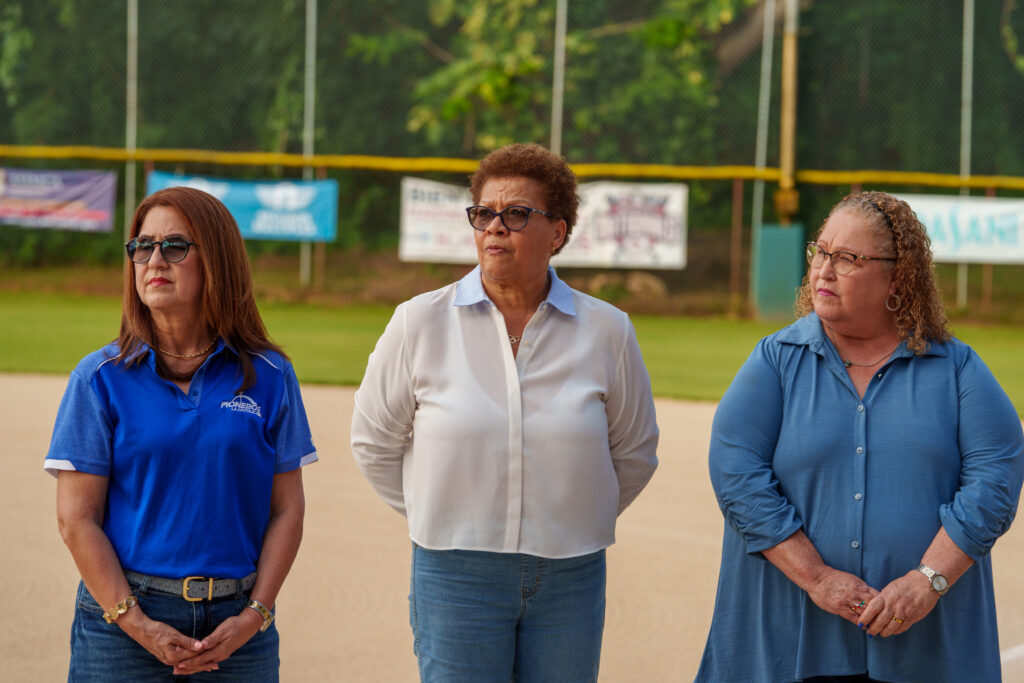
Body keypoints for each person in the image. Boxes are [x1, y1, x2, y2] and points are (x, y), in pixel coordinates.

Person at [351, 143, 659, 681]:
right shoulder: (417, 322)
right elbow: (373, 442)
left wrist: (569, 515)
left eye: (516, 214)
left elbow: (634, 451)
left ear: (557, 233)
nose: (495, 227)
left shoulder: (608, 330)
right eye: (483, 213)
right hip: (455, 573)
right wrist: (443, 510)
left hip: (570, 574)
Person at [695, 191, 1024, 683]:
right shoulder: (775, 359)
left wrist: (927, 582)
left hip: (923, 645)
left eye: (848, 258)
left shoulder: (956, 369)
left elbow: (995, 478)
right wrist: (818, 578)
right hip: (792, 637)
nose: (824, 270)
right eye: (821, 252)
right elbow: (737, 475)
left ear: (897, 276)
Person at [45, 187, 317, 681]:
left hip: (238, 630)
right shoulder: (99, 377)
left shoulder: (269, 375)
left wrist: (255, 615)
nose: (154, 260)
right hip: (122, 626)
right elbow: (76, 519)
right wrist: (138, 624)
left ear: (216, 259)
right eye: (141, 247)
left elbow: (287, 509)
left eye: (174, 246)